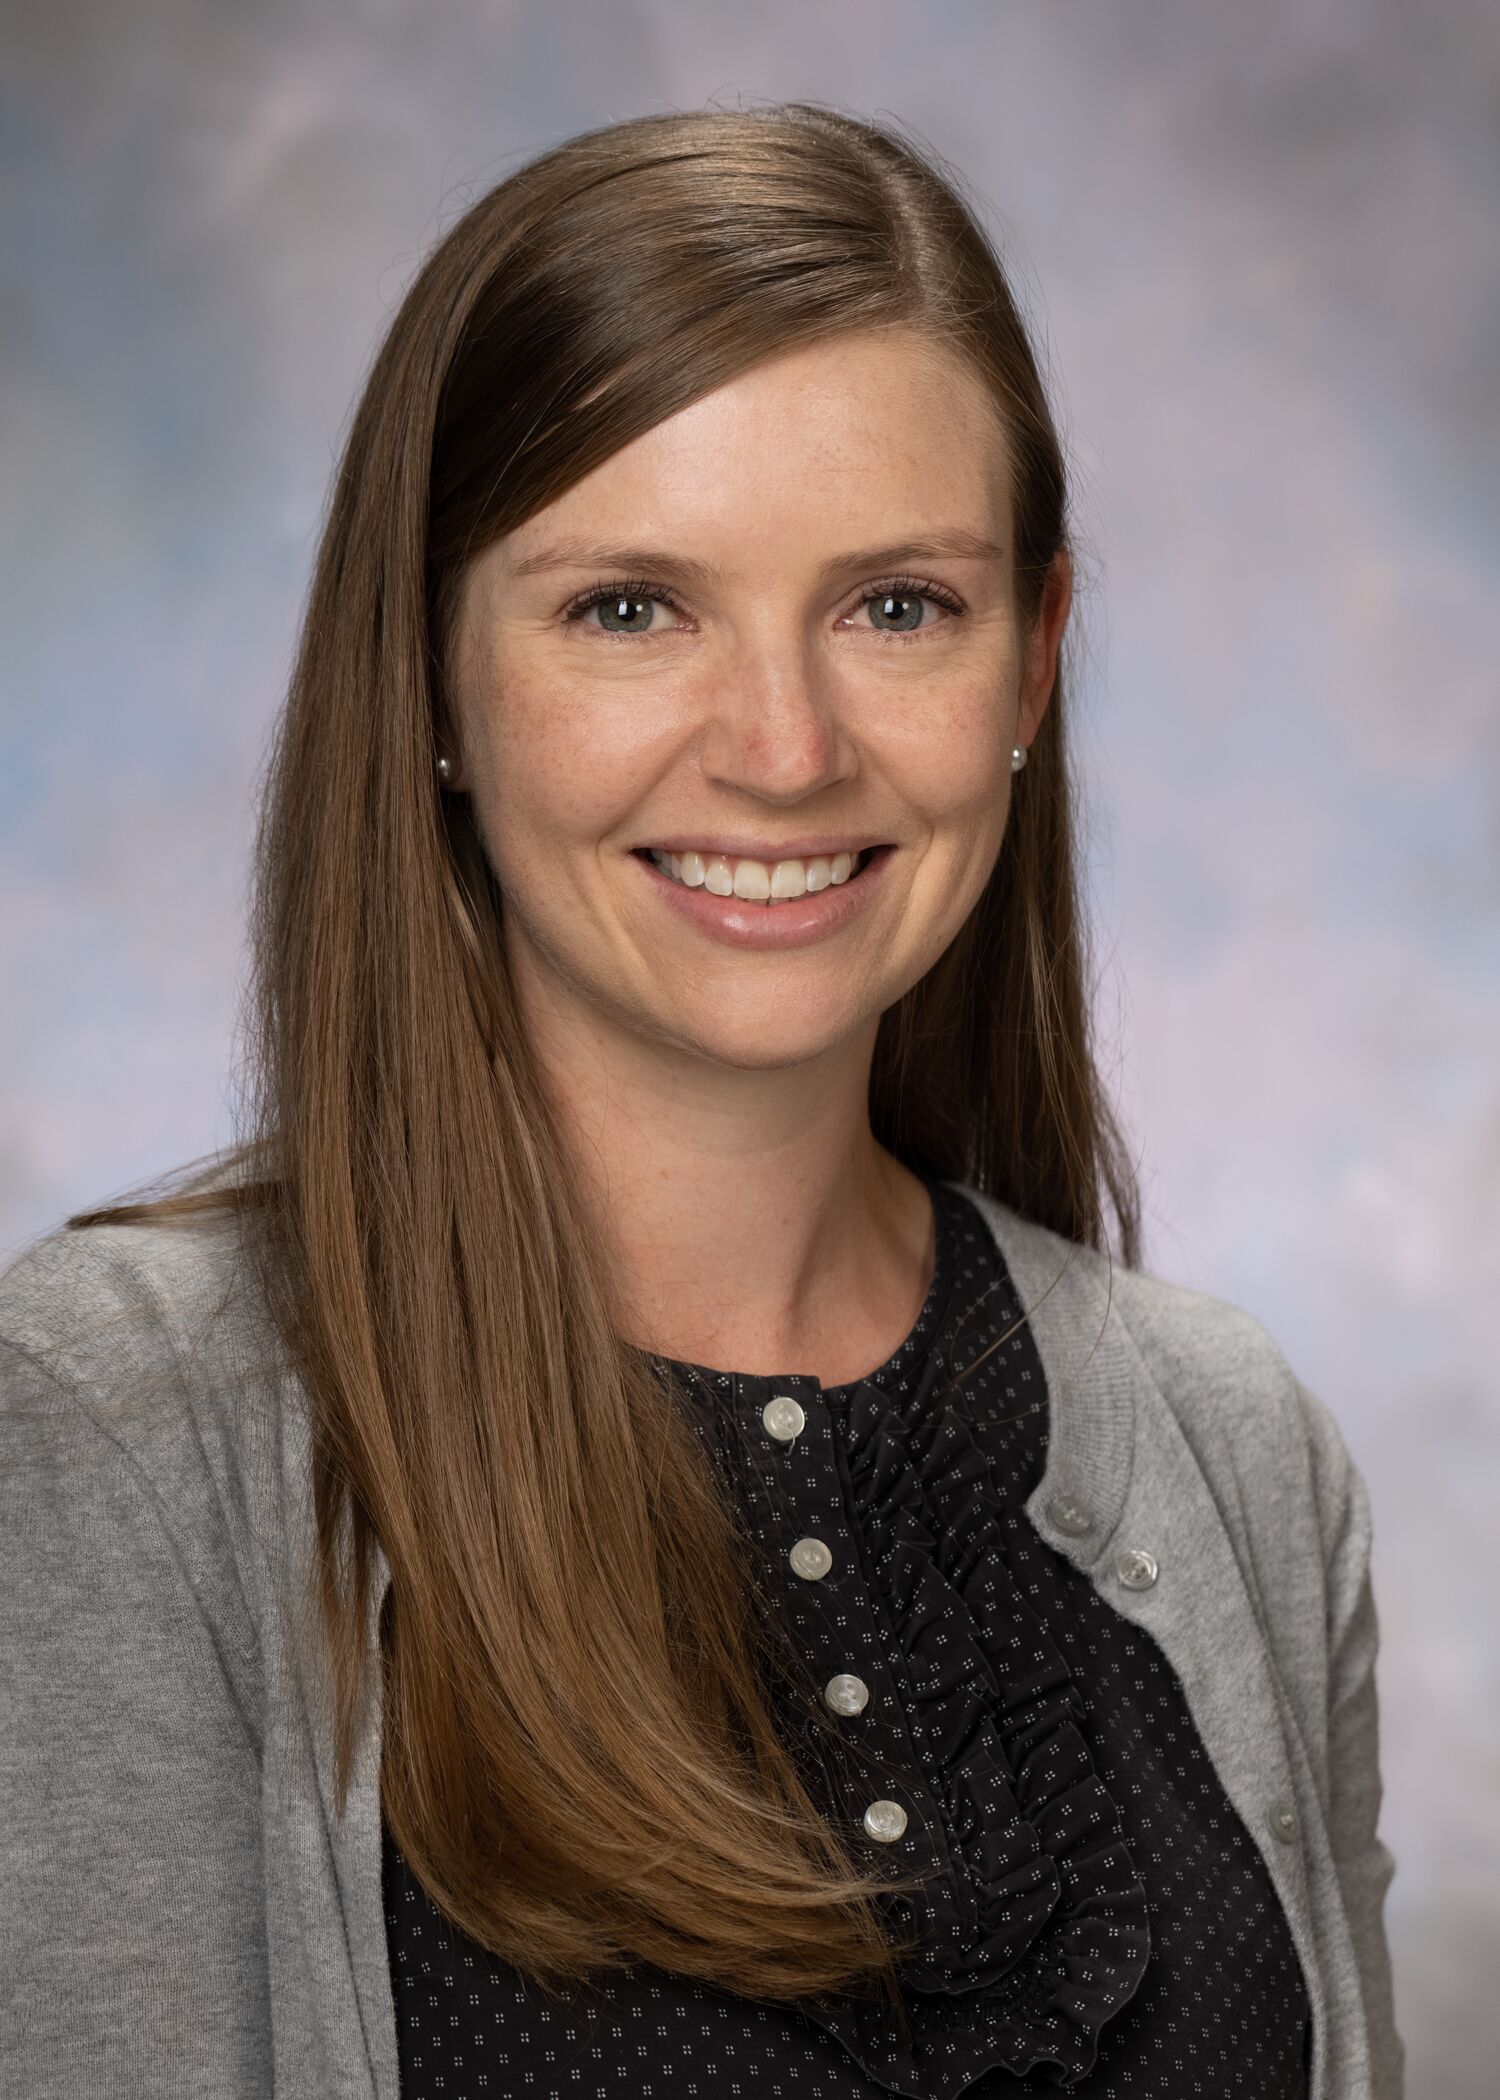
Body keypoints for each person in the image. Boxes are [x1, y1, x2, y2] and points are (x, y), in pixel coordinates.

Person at [0, 102, 1403, 2100]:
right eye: (630, 607)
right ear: (426, 680)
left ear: (1032, 664)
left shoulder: (1233, 1442)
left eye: (896, 605)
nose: (782, 746)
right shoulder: (122, 1431)